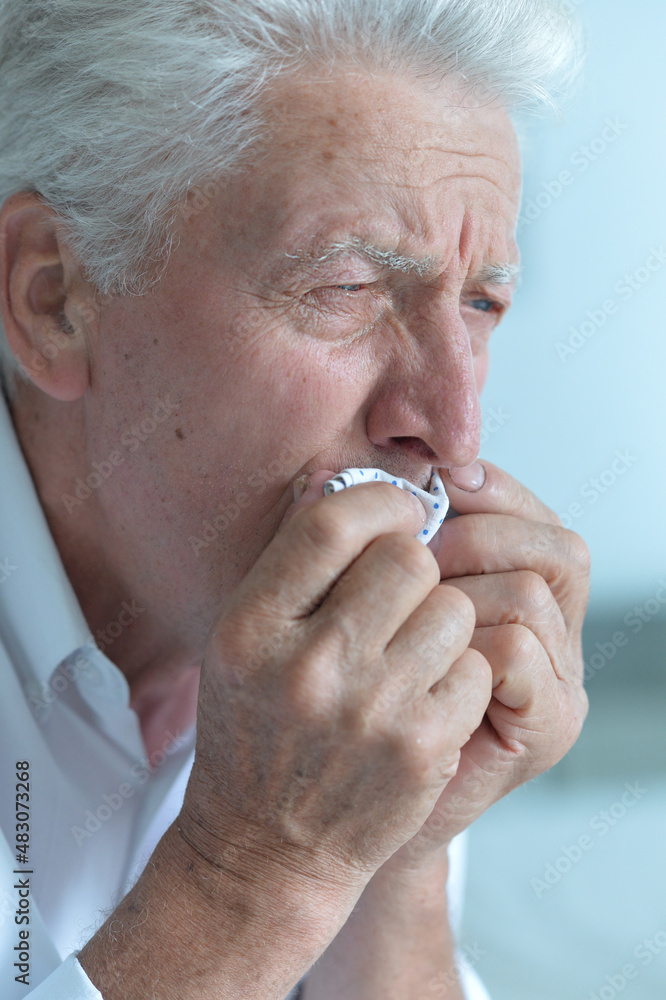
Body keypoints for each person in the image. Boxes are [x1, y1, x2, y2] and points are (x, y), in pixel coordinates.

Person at [0, 1, 590, 997]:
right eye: (349, 287)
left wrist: (395, 856)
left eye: (481, 302)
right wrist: (259, 869)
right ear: (56, 297)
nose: (453, 430)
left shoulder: (340, 689)